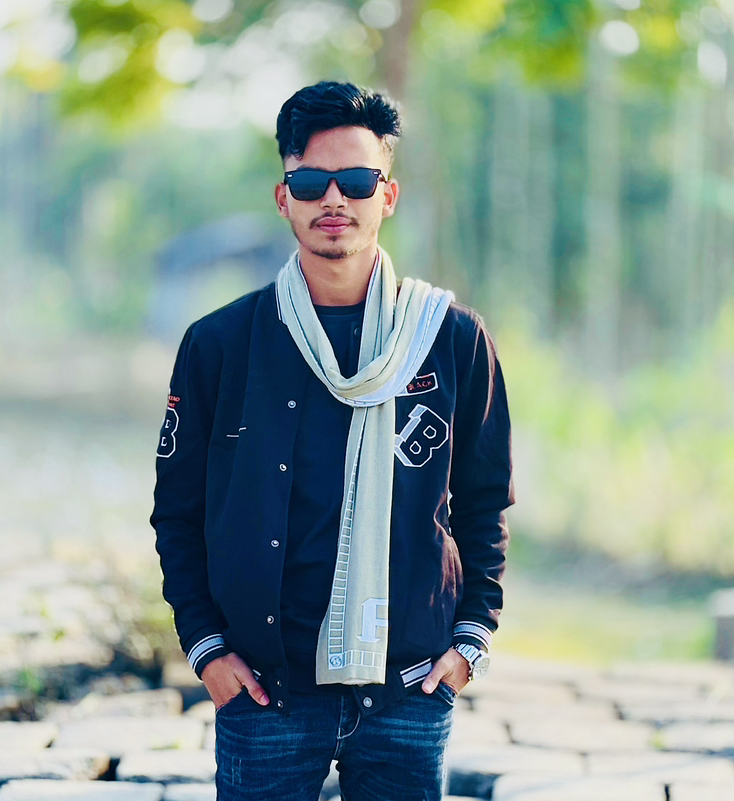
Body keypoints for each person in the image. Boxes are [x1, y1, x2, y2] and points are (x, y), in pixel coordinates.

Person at [151, 81, 513, 801]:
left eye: (356, 181)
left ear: (388, 195)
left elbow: (484, 504)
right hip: (265, 690)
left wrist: (471, 640)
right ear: (283, 197)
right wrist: (208, 650)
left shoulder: (449, 339)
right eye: (312, 182)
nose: (334, 200)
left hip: (409, 688)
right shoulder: (221, 345)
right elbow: (178, 513)